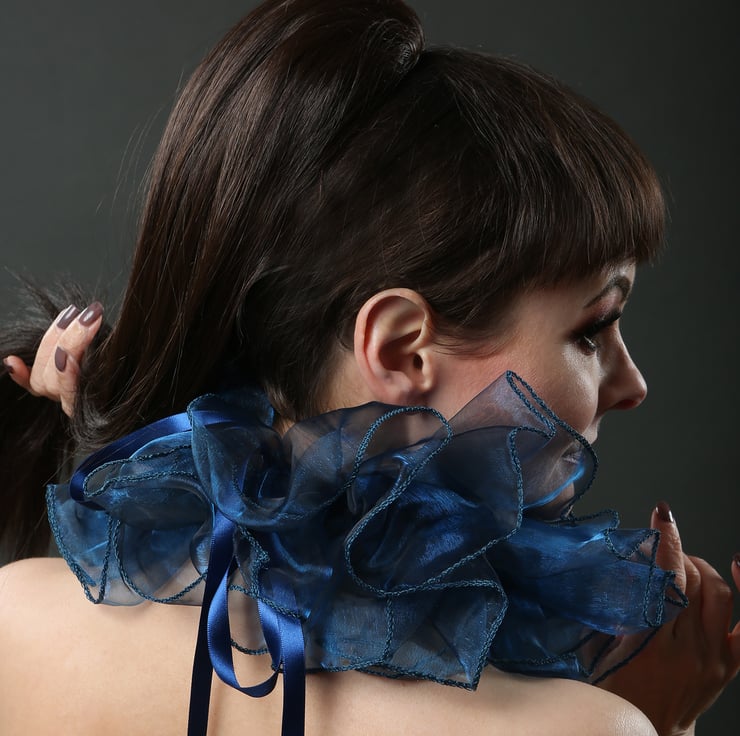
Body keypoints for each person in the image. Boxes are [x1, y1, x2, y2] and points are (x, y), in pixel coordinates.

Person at [0, 1, 738, 734]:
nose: (633, 385)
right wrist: (654, 719)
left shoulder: (17, 617)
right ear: (399, 349)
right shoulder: (577, 726)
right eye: (593, 329)